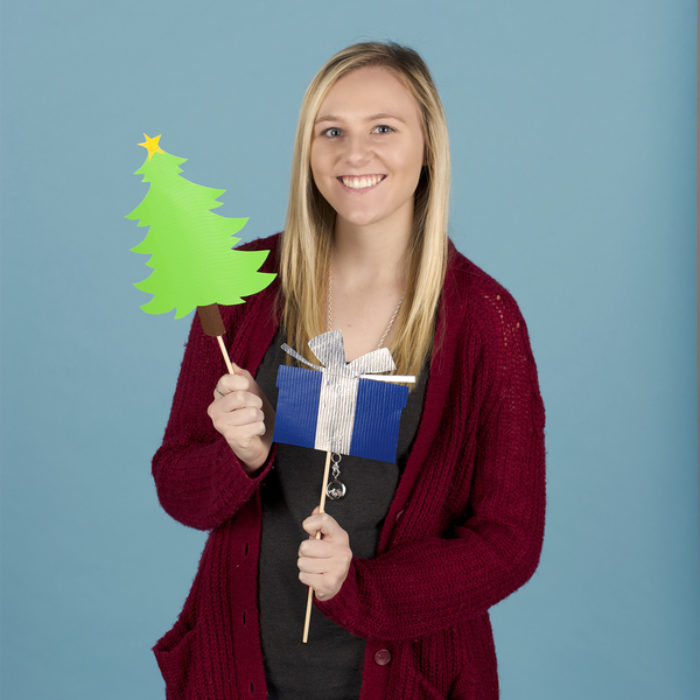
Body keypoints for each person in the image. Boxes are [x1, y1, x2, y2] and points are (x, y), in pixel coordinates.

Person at [151, 42, 545, 700]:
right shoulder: (240, 288)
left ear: (428, 145)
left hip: (410, 677)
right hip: (238, 670)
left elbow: (508, 542)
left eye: (383, 129)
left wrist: (358, 589)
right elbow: (178, 489)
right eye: (330, 131)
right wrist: (238, 459)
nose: (353, 154)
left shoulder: (485, 320)